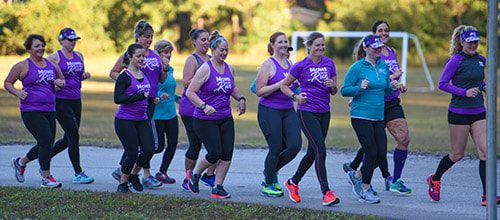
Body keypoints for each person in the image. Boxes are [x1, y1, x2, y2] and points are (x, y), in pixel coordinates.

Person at [427, 25, 499, 206]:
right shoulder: (455, 60)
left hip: (478, 112)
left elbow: (478, 79)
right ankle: (435, 179)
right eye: (470, 42)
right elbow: (443, 84)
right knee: (457, 155)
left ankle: (487, 195)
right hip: (458, 113)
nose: (473, 45)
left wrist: (484, 87)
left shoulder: (481, 60)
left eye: (476, 41)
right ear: (462, 41)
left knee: (485, 152)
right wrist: (463, 92)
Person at [343, 20, 411, 194]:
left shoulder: (391, 53)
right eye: (380, 30)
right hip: (371, 106)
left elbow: (388, 81)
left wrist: (398, 84)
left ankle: (393, 179)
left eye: (386, 30)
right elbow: (358, 81)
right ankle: (368, 179)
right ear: (373, 34)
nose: (384, 33)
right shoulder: (364, 59)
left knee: (402, 139)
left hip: (390, 102)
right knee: (373, 148)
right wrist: (355, 95)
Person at [280, 32, 340, 206]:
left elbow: (334, 91)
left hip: (324, 112)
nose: (321, 48)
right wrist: (296, 97)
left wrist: (333, 86)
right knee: (321, 149)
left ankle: (293, 182)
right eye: (317, 45)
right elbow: (284, 85)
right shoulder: (300, 65)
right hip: (307, 112)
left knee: (313, 152)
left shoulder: (329, 63)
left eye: (323, 45)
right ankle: (326, 192)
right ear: (309, 46)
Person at [185, 31, 246, 199]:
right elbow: (190, 92)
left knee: (227, 153)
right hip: (205, 119)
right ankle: (195, 175)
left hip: (225, 117)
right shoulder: (205, 69)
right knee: (215, 153)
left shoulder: (229, 68)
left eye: (226, 50)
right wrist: (204, 106)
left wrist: (241, 98)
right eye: (221, 50)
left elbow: (231, 87)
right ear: (212, 49)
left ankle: (218, 187)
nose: (224, 53)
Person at [109, 20, 166, 189]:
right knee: (134, 147)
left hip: (149, 102)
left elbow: (159, 79)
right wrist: (128, 86)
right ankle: (127, 176)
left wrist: (164, 68)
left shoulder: (155, 56)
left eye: (151, 37)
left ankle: (131, 173)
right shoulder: (130, 55)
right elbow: (114, 73)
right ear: (138, 37)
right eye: (146, 37)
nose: (149, 40)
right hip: (131, 106)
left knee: (147, 146)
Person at [341, 35, 397, 204]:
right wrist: (359, 88)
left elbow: (386, 90)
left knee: (380, 154)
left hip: (378, 116)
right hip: (360, 115)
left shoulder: (383, 66)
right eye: (374, 47)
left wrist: (394, 87)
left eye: (379, 47)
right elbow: (344, 90)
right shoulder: (357, 67)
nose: (378, 49)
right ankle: (365, 189)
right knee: (371, 152)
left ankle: (356, 174)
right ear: (366, 48)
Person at [6, 34, 66, 188]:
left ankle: (20, 162)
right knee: (46, 140)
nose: (41, 48)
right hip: (31, 110)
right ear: (29, 48)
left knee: (46, 143)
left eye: (42, 45)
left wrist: (60, 83)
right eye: (37, 46)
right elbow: (8, 82)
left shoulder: (52, 65)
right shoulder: (22, 66)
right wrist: (18, 93)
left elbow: (61, 82)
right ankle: (46, 177)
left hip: (50, 109)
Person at [254, 32, 301, 197]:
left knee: (295, 145)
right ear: (272, 45)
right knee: (276, 148)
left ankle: (270, 171)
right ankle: (268, 182)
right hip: (269, 110)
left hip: (288, 109)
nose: (283, 44)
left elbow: (293, 87)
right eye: (279, 42)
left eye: (285, 41)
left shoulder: (290, 63)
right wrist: (281, 84)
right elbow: (259, 91)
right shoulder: (268, 65)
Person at [114, 43, 155, 193]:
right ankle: (122, 184)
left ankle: (133, 174)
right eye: (138, 56)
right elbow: (118, 98)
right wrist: (139, 96)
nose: (142, 59)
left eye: (143, 56)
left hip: (142, 118)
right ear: (130, 57)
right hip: (125, 121)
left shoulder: (143, 74)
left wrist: (153, 99)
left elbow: (145, 94)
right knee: (131, 153)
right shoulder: (124, 77)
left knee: (149, 149)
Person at [179, 29, 217, 191]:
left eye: (208, 39)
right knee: (195, 144)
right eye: (202, 39)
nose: (206, 42)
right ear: (194, 42)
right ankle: (187, 179)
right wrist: (203, 80)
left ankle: (208, 175)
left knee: (216, 145)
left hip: (207, 108)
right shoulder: (192, 59)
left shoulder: (211, 59)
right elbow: (187, 82)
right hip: (190, 108)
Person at [151, 40, 179, 184]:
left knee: (173, 143)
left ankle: (162, 172)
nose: (168, 55)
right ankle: (132, 165)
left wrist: (178, 98)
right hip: (157, 114)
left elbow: (170, 90)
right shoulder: (154, 69)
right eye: (165, 53)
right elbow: (151, 88)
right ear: (158, 54)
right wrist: (158, 95)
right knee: (157, 146)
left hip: (171, 113)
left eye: (170, 53)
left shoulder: (171, 69)